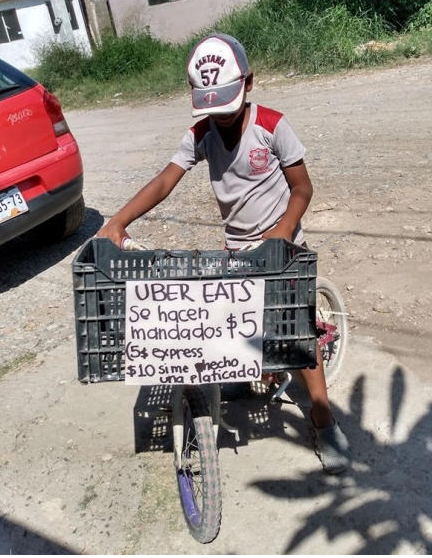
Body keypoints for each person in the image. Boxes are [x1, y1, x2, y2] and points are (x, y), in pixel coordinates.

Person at [97, 33, 351, 474]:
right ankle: (249, 372)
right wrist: (118, 221)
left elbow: (302, 189)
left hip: (283, 245)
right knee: (229, 323)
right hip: (238, 250)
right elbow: (165, 180)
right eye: (212, 110)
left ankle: (322, 417)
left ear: (249, 83)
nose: (223, 118)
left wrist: (282, 232)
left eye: (228, 107)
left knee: (297, 331)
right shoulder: (202, 133)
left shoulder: (272, 125)